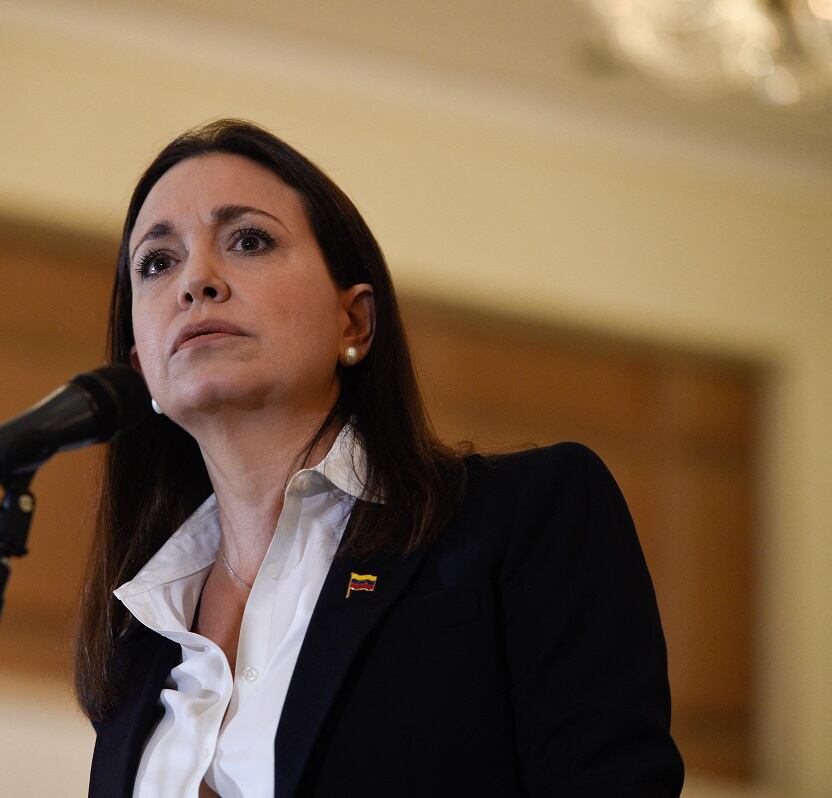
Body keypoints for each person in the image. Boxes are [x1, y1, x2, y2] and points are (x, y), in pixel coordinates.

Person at [75, 119, 683, 797]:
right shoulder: (136, 643)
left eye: (248, 240)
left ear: (355, 322)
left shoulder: (526, 519)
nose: (195, 281)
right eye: (157, 262)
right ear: (140, 364)